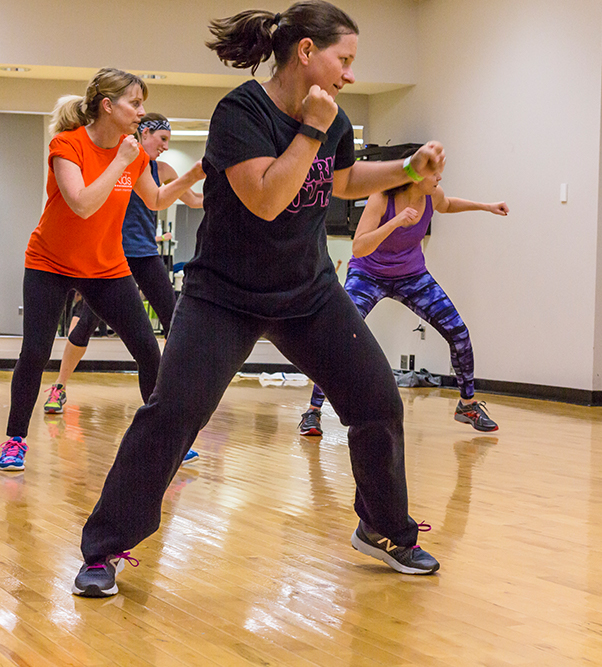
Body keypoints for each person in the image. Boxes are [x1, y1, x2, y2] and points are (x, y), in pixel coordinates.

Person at [72, 1, 446, 598]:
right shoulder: (240, 112)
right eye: (343, 59)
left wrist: (406, 167)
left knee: (377, 400)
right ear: (306, 52)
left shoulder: (335, 119)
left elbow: (342, 179)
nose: (349, 74)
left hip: (309, 291)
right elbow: (268, 197)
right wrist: (313, 129)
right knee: (172, 414)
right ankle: (105, 548)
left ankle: (383, 527)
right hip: (225, 295)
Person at [0, 68, 204, 472]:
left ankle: (162, 442)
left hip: (105, 266)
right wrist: (121, 160)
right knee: (35, 352)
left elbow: (157, 199)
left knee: (148, 350)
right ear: (108, 106)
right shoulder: (66, 145)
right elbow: (82, 203)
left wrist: (192, 177)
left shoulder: (134, 153)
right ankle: (15, 440)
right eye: (135, 103)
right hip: (49, 263)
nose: (142, 112)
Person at [299, 157, 508, 437]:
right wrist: (395, 223)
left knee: (459, 332)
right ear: (415, 176)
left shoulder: (432, 195)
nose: (440, 179)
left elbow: (447, 205)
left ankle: (467, 405)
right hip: (368, 275)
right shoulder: (382, 198)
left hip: (412, 277)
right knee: (338, 336)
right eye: (434, 174)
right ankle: (313, 412)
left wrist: (486, 207)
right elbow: (359, 247)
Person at [44, 112, 202, 465]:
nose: (165, 147)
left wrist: (231, 196)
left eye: (168, 141)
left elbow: (191, 200)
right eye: (161, 139)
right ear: (144, 134)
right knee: (84, 324)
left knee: (174, 319)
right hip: (108, 257)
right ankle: (59, 387)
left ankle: (166, 417)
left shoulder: (161, 171)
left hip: (145, 254)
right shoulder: (117, 160)